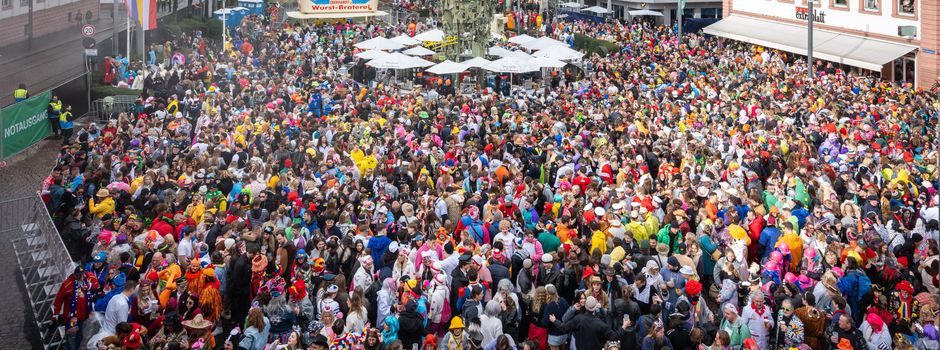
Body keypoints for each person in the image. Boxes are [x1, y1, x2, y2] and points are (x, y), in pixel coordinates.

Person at [548, 296, 630, 350]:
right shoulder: (601, 324)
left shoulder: (578, 319)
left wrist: (555, 321)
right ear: (595, 308)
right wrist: (624, 326)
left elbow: (564, 328)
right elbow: (615, 336)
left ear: (586, 307)